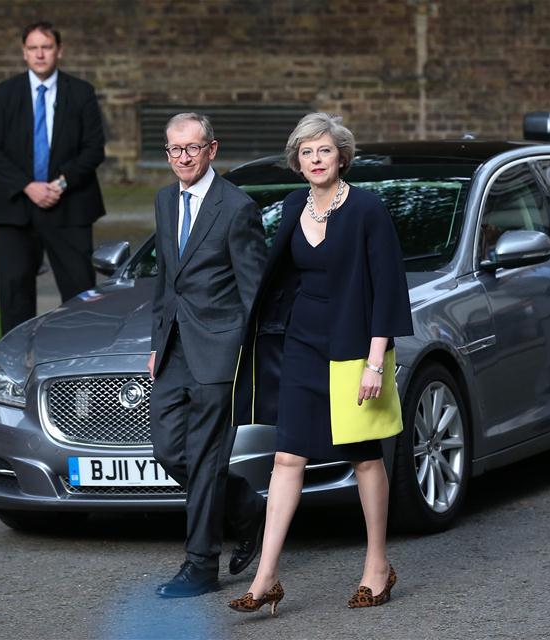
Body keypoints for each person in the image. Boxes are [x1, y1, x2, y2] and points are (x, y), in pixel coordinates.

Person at [228, 113, 413, 615]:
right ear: (297, 160)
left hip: (354, 348)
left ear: (341, 157)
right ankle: (266, 576)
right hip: (302, 345)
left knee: (363, 456)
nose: (315, 160)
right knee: (287, 458)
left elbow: (387, 288)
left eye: (324, 151)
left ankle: (378, 565)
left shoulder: (367, 211)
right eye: (306, 152)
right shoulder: (293, 205)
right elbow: (277, 274)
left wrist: (376, 362)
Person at [150, 113, 267, 598]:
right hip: (175, 348)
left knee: (202, 458)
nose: (182, 158)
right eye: (174, 149)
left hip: (219, 353)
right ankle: (247, 507)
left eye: (192, 149)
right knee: (167, 450)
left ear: (212, 150)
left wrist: (245, 357)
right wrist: (157, 344)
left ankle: (200, 566)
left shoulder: (237, 208)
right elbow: (165, 280)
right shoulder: (163, 200)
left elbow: (255, 290)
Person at [0, 21, 106, 335]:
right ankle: (14, 372)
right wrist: (28, 186)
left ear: (58, 51)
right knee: (15, 293)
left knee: (81, 293)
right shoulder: (4, 94)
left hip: (70, 204)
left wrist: (59, 184)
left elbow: (94, 149)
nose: (40, 54)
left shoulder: (81, 93)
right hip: (16, 208)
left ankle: (81, 360)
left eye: (46, 47)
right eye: (33, 48)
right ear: (24, 53)